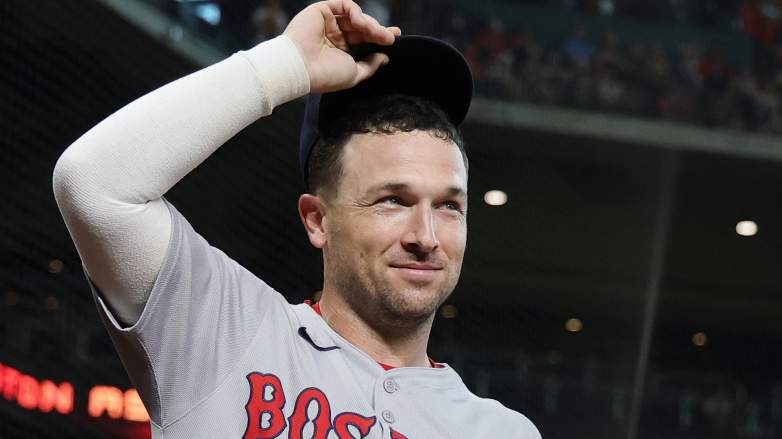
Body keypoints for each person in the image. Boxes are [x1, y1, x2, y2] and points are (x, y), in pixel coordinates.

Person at [52, 1, 541, 437]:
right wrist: (285, 65)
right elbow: (94, 185)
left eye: (449, 206)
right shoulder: (225, 331)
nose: (426, 236)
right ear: (317, 220)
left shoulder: (503, 432)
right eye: (393, 200)